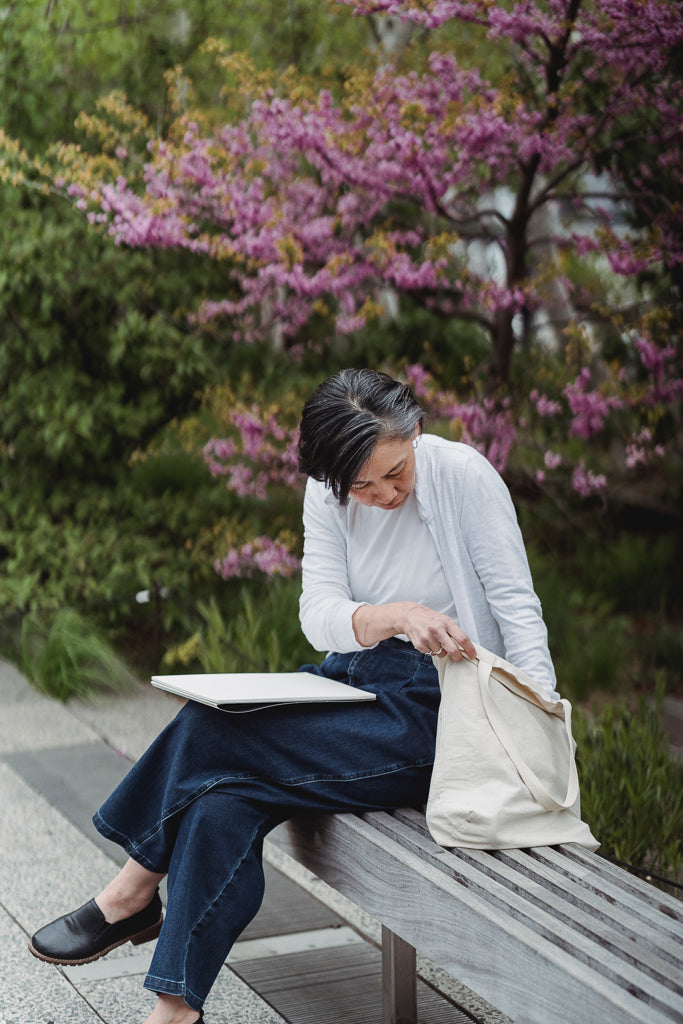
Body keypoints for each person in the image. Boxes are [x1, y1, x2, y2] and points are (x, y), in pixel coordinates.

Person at [29, 368, 557, 1024]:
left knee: (212, 730)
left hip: (438, 710)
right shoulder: (327, 491)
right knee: (220, 799)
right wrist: (394, 615)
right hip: (351, 681)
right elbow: (318, 614)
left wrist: (538, 727)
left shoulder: (463, 476)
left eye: (394, 472)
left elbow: (516, 607)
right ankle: (174, 1012)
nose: (383, 494)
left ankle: (130, 893)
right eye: (362, 485)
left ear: (416, 431)